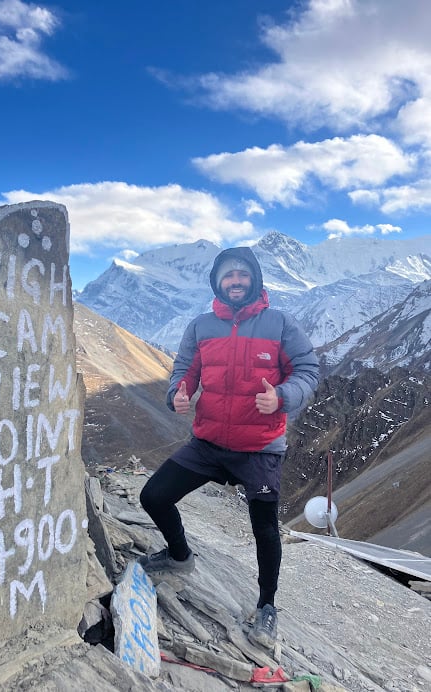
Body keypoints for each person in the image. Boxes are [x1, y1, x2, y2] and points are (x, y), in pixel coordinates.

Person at [138, 246, 319, 650]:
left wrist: (284, 396)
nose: (235, 281)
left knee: (265, 530)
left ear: (253, 278)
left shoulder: (280, 324)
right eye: (227, 276)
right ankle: (179, 556)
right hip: (207, 442)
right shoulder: (201, 326)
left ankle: (267, 605)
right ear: (217, 282)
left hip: (260, 447)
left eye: (241, 275)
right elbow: (184, 370)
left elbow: (308, 370)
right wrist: (176, 395)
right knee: (153, 496)